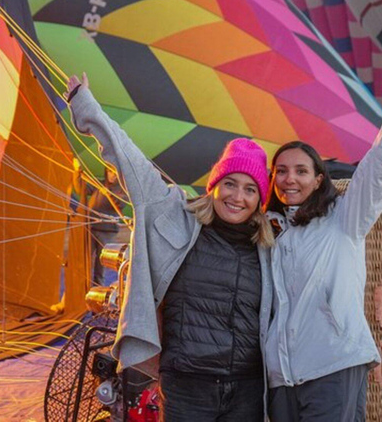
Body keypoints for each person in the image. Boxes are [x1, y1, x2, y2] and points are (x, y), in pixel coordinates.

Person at [263, 21, 382, 421]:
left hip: (333, 364)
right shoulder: (268, 234)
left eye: (300, 170)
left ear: (319, 179)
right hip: (281, 375)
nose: (289, 179)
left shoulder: (344, 218)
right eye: (280, 171)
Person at [66, 73, 274, 421]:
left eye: (250, 189)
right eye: (230, 184)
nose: (238, 197)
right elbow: (129, 162)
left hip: (248, 388)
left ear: (261, 199)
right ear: (214, 185)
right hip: (188, 386)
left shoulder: (269, 247)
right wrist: (86, 106)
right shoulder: (177, 217)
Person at [87, 167, 125, 286]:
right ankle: (79, 292)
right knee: (83, 261)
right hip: (90, 228)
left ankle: (97, 294)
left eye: (115, 172)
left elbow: (121, 203)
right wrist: (77, 172)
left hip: (107, 232)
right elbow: (81, 188)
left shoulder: (122, 190)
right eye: (110, 172)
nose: (112, 175)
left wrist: (108, 193)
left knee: (101, 266)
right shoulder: (100, 184)